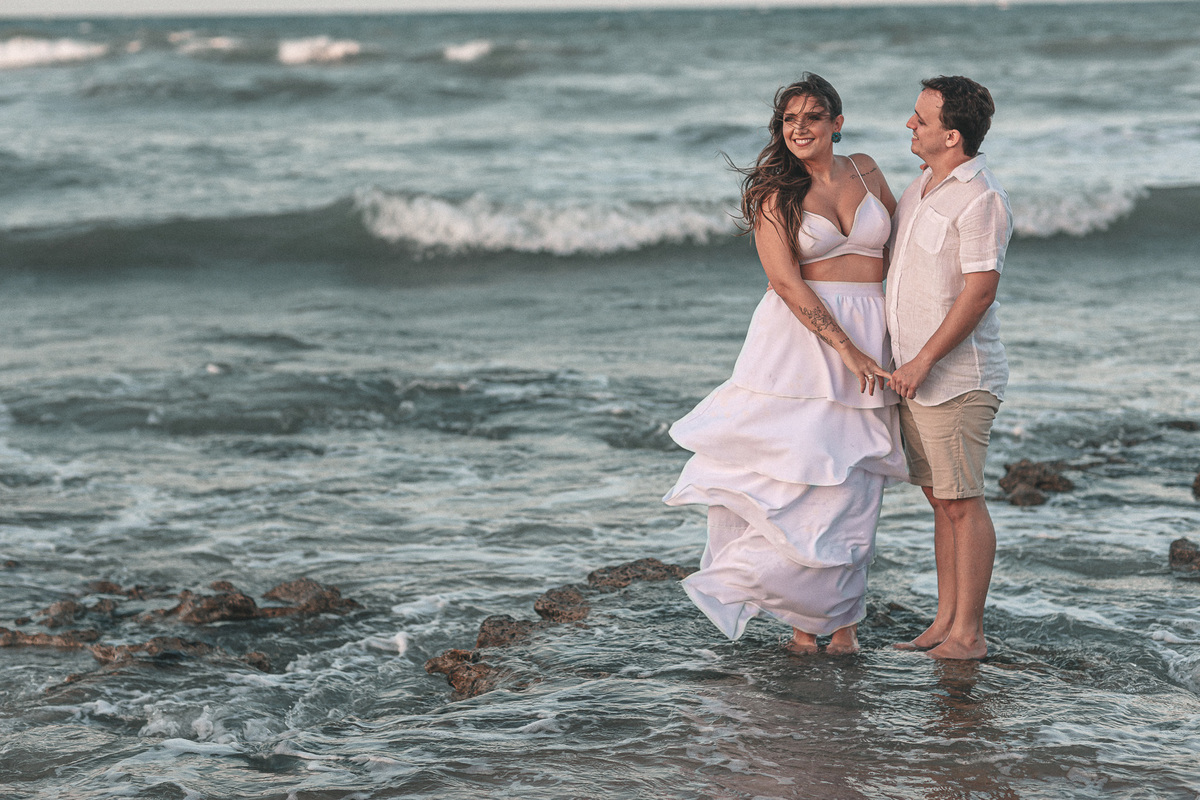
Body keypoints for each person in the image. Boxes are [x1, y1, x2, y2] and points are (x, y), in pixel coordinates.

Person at [663, 74, 908, 655]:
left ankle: (841, 628)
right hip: (803, 346)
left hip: (876, 330)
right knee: (799, 480)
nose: (799, 128)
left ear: (837, 123)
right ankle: (801, 627)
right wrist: (847, 348)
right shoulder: (776, 196)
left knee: (855, 484)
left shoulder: (867, 168)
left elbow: (900, 250)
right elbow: (784, 282)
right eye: (788, 119)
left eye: (813, 117)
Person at [886, 76, 1013, 660]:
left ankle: (970, 634)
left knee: (963, 502)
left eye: (921, 119)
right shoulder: (920, 189)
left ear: (952, 135)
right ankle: (944, 622)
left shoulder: (980, 198)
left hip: (956, 380)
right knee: (941, 501)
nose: (910, 125)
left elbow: (979, 292)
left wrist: (924, 359)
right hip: (915, 377)